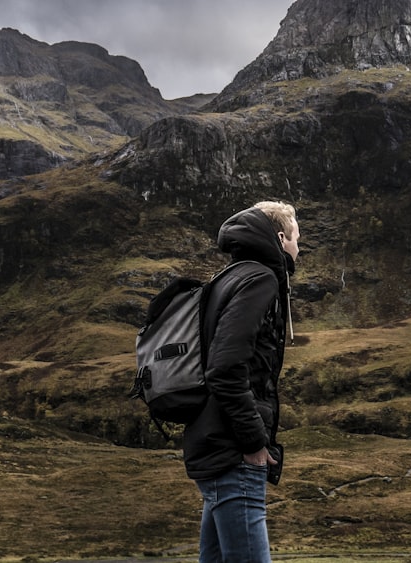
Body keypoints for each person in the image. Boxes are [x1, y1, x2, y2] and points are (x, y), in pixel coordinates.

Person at [183, 200, 300, 563]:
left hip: (213, 440)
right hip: (235, 450)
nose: (300, 248)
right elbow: (225, 366)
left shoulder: (228, 277)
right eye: (297, 238)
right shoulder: (260, 279)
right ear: (281, 238)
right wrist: (253, 441)